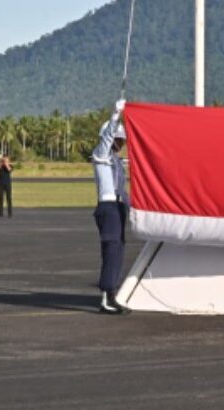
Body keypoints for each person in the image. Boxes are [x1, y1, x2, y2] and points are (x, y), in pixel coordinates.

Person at [91, 99, 130, 315]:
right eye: (118, 139)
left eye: (122, 140)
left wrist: (133, 208)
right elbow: (106, 140)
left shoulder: (116, 161)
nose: (120, 143)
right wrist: (116, 114)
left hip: (118, 207)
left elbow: (122, 190)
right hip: (107, 207)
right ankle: (106, 295)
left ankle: (111, 292)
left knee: (118, 251)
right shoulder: (101, 154)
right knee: (112, 250)